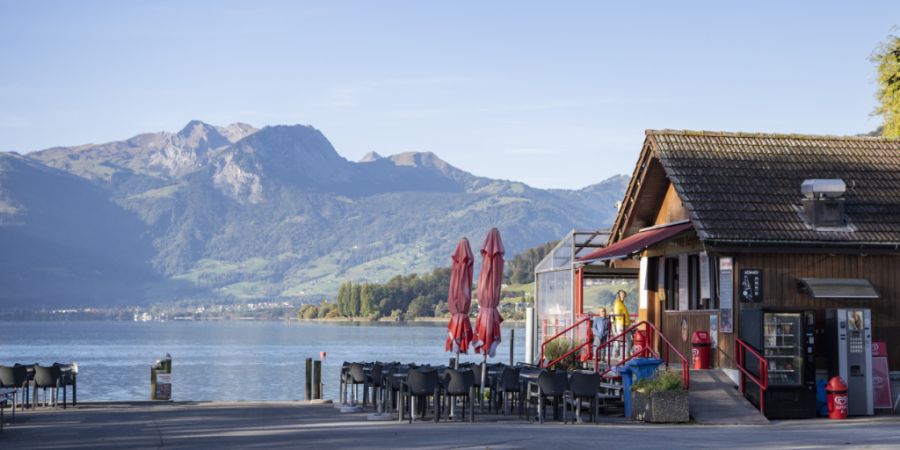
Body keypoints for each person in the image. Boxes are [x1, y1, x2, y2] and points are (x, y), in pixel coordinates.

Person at [612, 290, 632, 360]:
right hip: (620, 324)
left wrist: (629, 320)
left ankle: (628, 353)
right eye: (622, 294)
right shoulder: (617, 303)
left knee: (629, 339)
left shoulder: (622, 303)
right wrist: (622, 322)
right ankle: (617, 353)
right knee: (619, 339)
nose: (623, 296)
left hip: (626, 323)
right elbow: (618, 315)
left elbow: (624, 314)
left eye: (624, 294)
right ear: (619, 295)